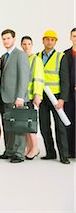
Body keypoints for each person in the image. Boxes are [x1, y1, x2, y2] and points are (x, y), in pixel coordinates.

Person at [37, 30, 70, 164]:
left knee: (60, 127)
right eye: (47, 39)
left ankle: (64, 155)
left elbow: (65, 79)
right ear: (43, 41)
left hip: (56, 97)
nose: (49, 42)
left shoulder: (60, 57)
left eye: (52, 39)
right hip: (42, 96)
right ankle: (50, 153)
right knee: (44, 126)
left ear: (55, 42)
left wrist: (62, 98)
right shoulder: (37, 56)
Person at [0, 29, 30, 163]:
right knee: (8, 126)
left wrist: (20, 97)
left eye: (8, 38)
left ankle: (19, 153)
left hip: (17, 97)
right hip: (5, 96)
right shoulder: (4, 56)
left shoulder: (20, 55)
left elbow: (24, 77)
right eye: (4, 39)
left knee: (18, 127)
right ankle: (9, 150)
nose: (6, 41)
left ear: (14, 39)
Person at [20, 36, 44, 160]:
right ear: (21, 45)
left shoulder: (36, 60)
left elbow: (39, 78)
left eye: (29, 44)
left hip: (30, 96)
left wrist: (37, 95)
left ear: (32, 45)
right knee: (24, 124)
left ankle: (35, 148)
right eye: (24, 44)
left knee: (29, 124)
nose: (26, 46)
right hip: (22, 96)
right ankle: (30, 148)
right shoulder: (22, 58)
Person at [60, 28, 76, 159]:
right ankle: (70, 150)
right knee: (69, 122)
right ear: (70, 38)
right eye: (74, 36)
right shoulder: (65, 54)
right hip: (69, 95)